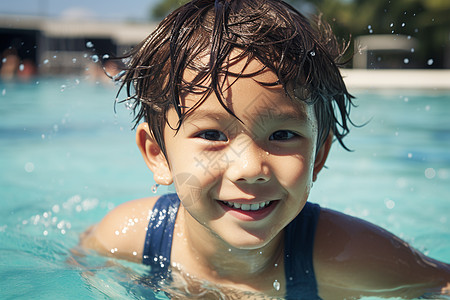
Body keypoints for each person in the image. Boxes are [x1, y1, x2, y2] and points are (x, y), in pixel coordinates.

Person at [79, 0, 450, 298]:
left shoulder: (348, 255)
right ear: (157, 155)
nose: (250, 167)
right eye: (211, 135)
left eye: (283, 135)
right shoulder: (127, 239)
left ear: (319, 155)